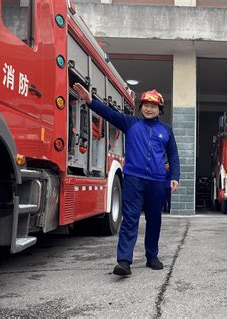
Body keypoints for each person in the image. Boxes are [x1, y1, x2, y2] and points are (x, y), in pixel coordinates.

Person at [72, 83, 180, 276]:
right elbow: (109, 114)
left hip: (157, 181)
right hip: (133, 179)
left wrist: (175, 177)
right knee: (130, 219)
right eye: (145, 105)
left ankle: (152, 257)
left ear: (160, 110)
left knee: (154, 220)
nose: (148, 108)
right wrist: (90, 101)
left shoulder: (166, 130)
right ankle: (124, 261)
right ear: (141, 108)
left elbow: (173, 156)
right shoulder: (131, 123)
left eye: (153, 106)